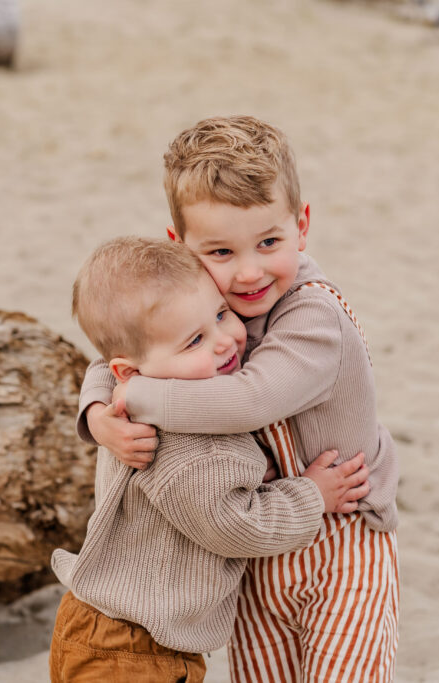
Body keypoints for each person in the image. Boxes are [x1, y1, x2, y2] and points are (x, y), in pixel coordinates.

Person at [79, 115, 401, 682]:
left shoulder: (313, 316)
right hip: (257, 545)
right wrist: (100, 413)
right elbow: (125, 346)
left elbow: (252, 400)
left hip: (343, 532)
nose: (249, 273)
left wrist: (138, 395)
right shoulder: (205, 310)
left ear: (302, 226)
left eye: (269, 243)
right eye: (221, 252)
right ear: (181, 248)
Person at [49, 236, 371, 682]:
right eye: (194, 341)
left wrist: (95, 409)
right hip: (135, 648)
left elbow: (106, 365)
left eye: (221, 314)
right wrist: (312, 495)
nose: (225, 342)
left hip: (105, 624)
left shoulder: (135, 392)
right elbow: (236, 526)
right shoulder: (192, 447)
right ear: (131, 372)